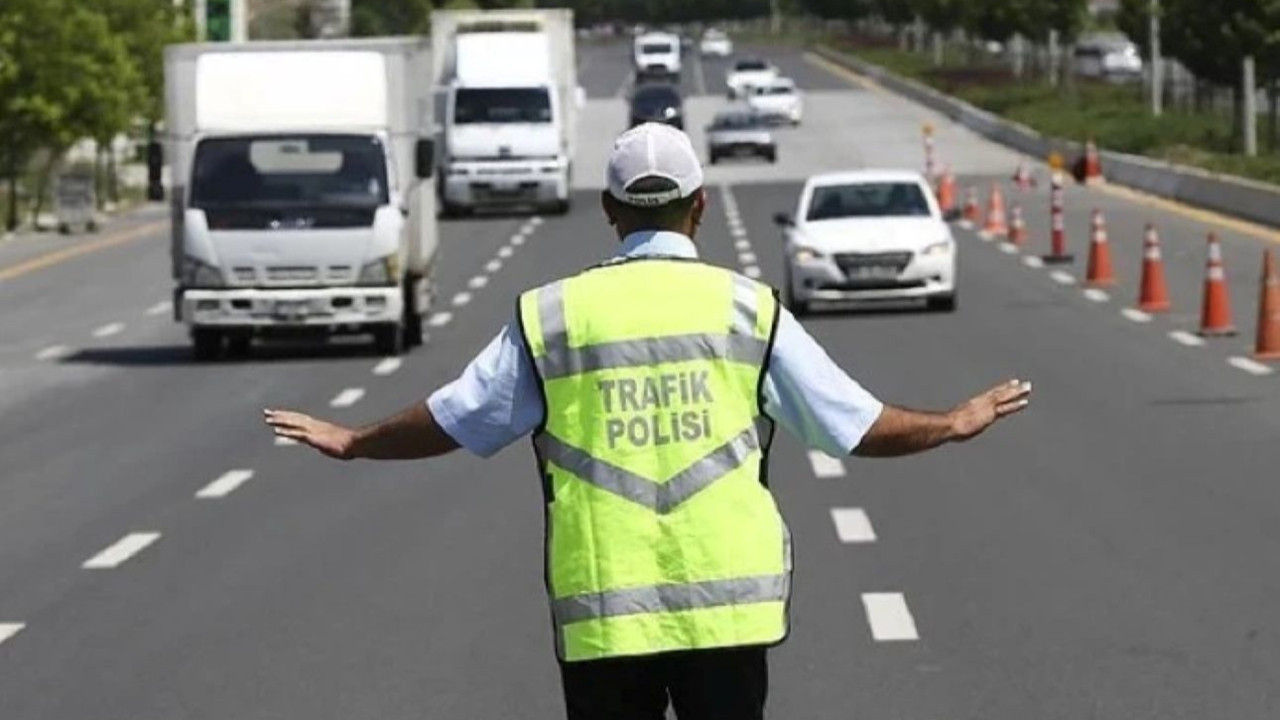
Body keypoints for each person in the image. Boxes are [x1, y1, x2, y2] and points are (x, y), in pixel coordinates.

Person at [264, 123, 1032, 720]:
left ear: (609, 211)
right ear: (699, 207)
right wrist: (953, 421)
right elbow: (853, 426)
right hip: (729, 617)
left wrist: (354, 441)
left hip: (605, 612)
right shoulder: (747, 309)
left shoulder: (554, 316)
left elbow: (458, 418)